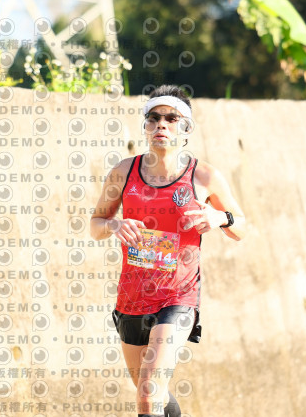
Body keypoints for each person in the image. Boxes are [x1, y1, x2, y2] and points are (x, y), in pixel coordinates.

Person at [90, 85, 247, 417]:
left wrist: (220, 218)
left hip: (178, 297)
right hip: (131, 298)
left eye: (172, 118)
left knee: (149, 388)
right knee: (149, 391)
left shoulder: (203, 176)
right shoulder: (123, 172)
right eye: (154, 118)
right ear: (145, 126)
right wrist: (115, 225)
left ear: (186, 128)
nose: (161, 124)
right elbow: (96, 224)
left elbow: (241, 228)